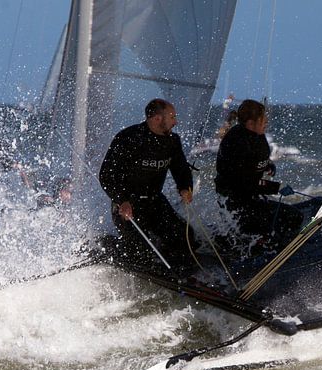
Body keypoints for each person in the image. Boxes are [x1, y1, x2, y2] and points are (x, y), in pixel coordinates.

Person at [99, 98, 198, 273]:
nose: (176, 122)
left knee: (186, 236)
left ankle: (173, 267)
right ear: (156, 119)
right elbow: (106, 175)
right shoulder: (128, 138)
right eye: (172, 117)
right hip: (127, 205)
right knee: (139, 253)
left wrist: (185, 188)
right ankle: (107, 247)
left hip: (155, 202)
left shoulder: (172, 141)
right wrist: (122, 200)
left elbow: (180, 169)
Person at [214, 99, 302, 249]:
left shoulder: (256, 133)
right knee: (272, 226)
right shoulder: (237, 142)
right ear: (250, 123)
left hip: (251, 198)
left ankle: (281, 247)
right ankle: (260, 250)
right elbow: (246, 183)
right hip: (236, 204)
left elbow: (257, 159)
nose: (267, 121)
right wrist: (277, 187)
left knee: (295, 216)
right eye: (263, 119)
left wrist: (268, 164)